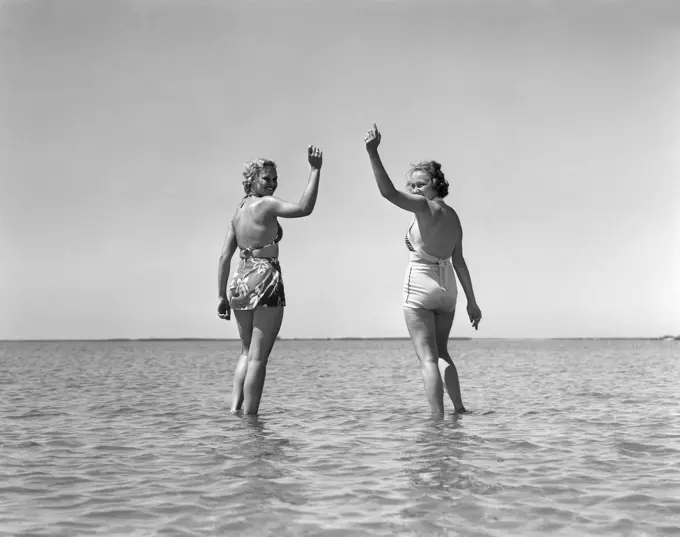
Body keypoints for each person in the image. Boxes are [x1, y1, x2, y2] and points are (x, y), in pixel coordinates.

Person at [364, 123, 482, 415]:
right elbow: (460, 262)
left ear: (435, 185)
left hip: (421, 283)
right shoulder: (454, 217)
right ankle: (459, 410)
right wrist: (472, 302)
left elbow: (388, 193)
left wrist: (372, 153)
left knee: (427, 358)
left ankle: (436, 420)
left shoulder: (425, 208)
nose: (415, 190)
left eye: (421, 184)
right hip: (448, 290)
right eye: (413, 186)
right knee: (442, 353)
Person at [217, 146, 323, 414]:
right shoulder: (266, 204)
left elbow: (223, 258)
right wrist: (315, 170)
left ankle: (235, 412)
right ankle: (251, 420)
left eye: (275, 179)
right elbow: (304, 208)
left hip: (240, 281)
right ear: (252, 179)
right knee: (258, 358)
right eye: (267, 178)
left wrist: (221, 296)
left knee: (245, 353)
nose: (273, 184)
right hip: (265, 279)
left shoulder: (238, 212)